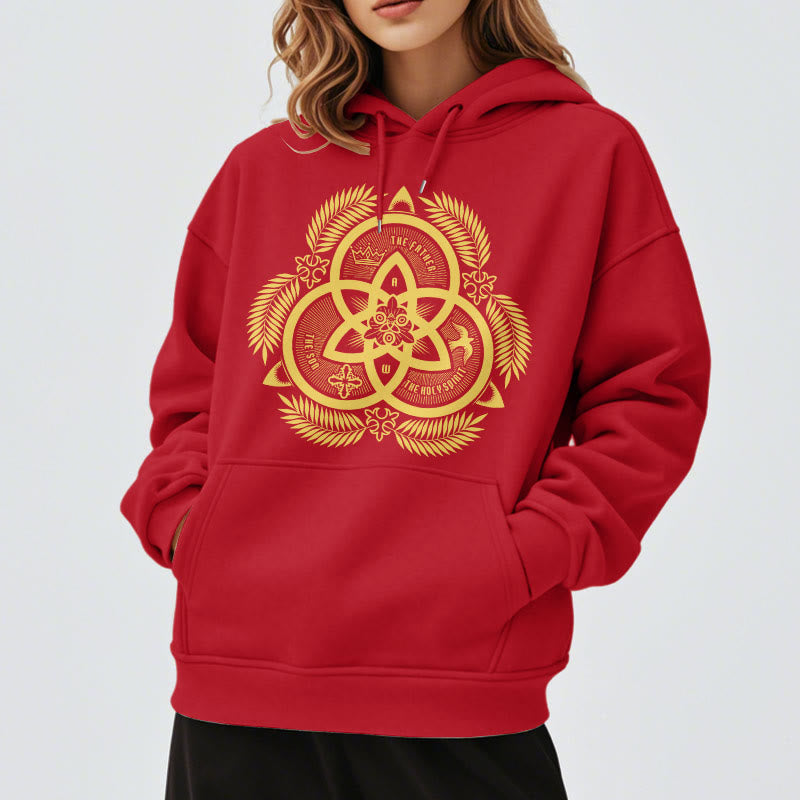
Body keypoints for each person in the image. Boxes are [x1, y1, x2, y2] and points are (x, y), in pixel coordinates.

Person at [119, 0, 712, 797]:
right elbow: (191, 392)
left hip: (458, 695)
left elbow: (653, 396)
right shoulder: (261, 170)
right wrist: (193, 528)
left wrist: (517, 558)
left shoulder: (590, 155)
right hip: (238, 687)